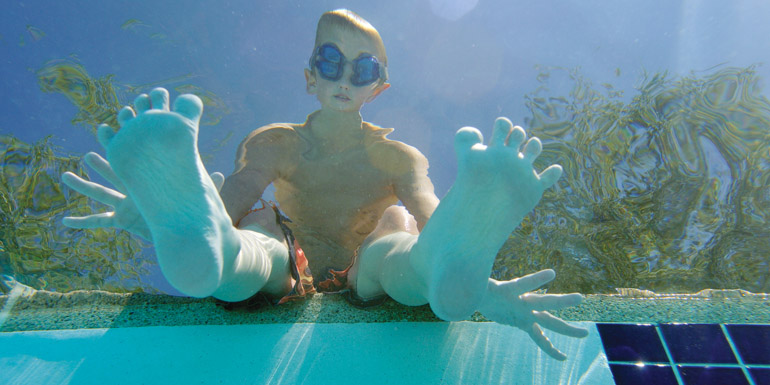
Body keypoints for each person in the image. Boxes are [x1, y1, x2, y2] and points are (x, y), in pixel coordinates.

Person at [62, 9, 588, 360]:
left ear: (378, 88)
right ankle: (212, 256)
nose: (344, 77)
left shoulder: (398, 156)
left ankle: (440, 275)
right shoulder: (274, 143)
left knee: (396, 231)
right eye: (330, 61)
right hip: (290, 263)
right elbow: (232, 202)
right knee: (262, 227)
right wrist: (168, 215)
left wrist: (470, 268)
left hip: (365, 268)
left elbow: (430, 213)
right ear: (311, 75)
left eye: (363, 69)